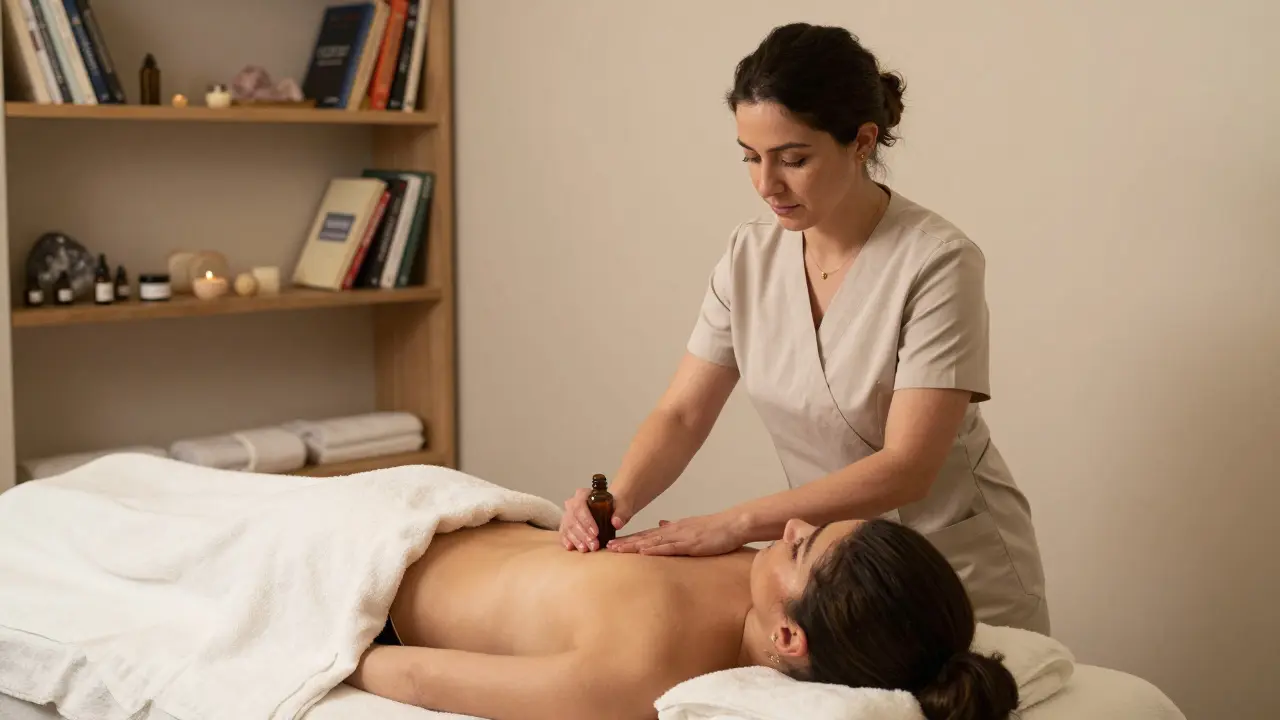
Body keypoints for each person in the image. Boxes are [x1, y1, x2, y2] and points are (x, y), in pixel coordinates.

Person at [557, 21, 1050, 635]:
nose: (767, 184)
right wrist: (616, 503)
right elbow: (682, 414)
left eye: (793, 159)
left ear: (862, 141)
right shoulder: (749, 255)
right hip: (834, 576)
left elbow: (908, 466)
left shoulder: (938, 261)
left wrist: (734, 526)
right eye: (750, 157)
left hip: (952, 567)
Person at [346, 516, 1019, 720]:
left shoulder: (638, 673)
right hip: (443, 512)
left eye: (801, 546)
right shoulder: (747, 568)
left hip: (365, 576)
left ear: (789, 637)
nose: (791, 523)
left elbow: (414, 678)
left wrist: (325, 652)